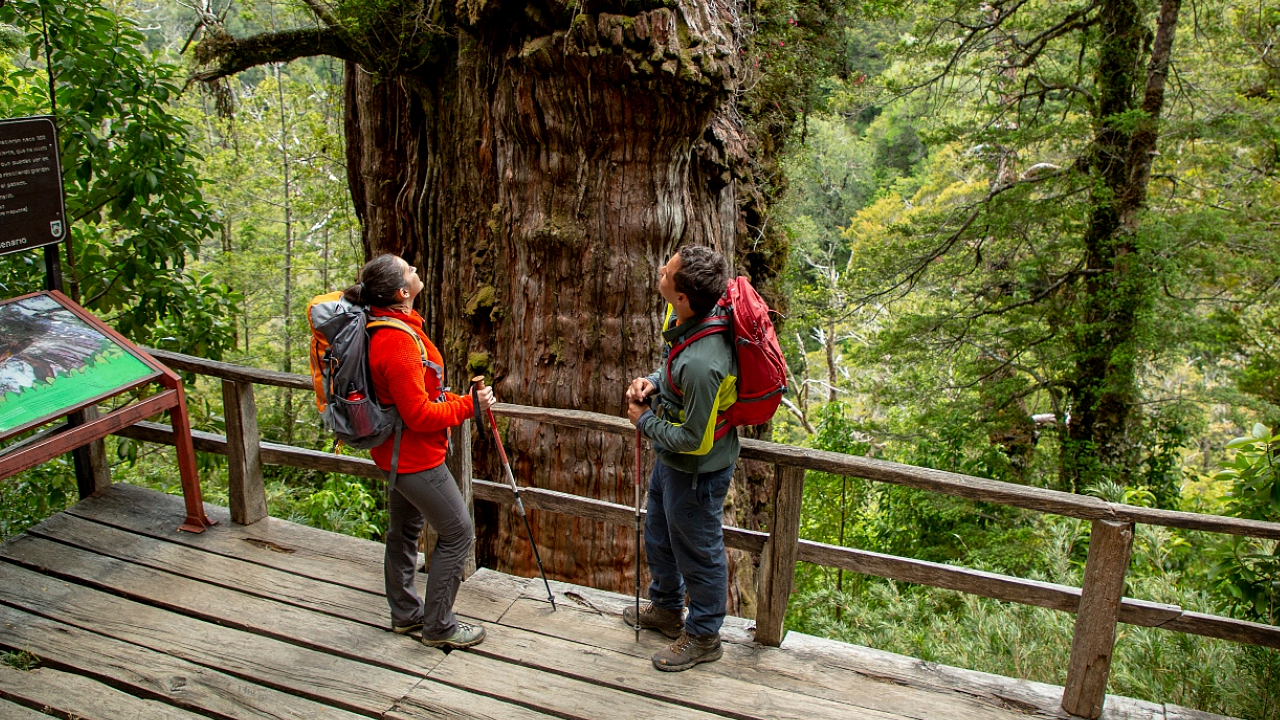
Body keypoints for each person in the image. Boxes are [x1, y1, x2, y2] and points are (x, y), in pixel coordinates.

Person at [343, 253, 494, 649]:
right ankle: (439, 626)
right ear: (400, 291)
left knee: (405, 532)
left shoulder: (387, 326)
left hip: (395, 453)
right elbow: (419, 415)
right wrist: (469, 407)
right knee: (458, 533)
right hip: (415, 458)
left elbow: (417, 396)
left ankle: (406, 615)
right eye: (409, 269)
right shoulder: (395, 341)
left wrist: (459, 400)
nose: (416, 269)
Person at [624, 245, 739, 672]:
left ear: (683, 296)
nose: (660, 271)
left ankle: (705, 635)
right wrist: (652, 384)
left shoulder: (704, 363)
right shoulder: (685, 320)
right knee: (659, 532)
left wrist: (643, 420)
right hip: (671, 462)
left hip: (697, 471)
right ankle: (668, 610)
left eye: (667, 272)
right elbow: (673, 369)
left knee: (700, 550)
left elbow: (695, 439)